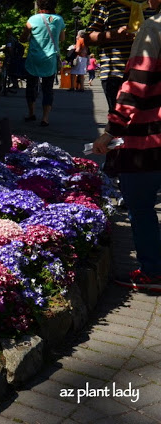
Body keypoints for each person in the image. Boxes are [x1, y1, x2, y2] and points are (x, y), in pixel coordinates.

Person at [92, 0, 161, 292]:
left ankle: (154, 272)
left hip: (148, 137)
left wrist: (110, 132)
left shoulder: (152, 28)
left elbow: (137, 84)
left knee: (141, 205)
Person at [85, 0, 158, 111]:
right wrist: (113, 34)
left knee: (149, 121)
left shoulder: (155, 3)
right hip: (116, 73)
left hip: (152, 72)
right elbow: (88, 38)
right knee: (120, 120)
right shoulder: (105, 3)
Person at [19, 0, 65, 127]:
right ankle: (45, 118)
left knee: (31, 86)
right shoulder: (59, 20)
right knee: (48, 89)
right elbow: (62, 39)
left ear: (39, 6)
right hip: (50, 59)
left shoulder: (32, 19)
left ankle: (31, 113)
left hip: (34, 58)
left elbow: (23, 38)